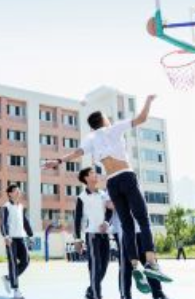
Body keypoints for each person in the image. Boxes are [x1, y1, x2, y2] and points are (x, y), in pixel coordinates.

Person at [43, 95, 173, 286]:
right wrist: (149, 101)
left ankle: (135, 265)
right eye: (106, 117)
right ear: (103, 120)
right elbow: (142, 118)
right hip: (126, 176)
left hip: (111, 182)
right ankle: (151, 263)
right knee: (143, 219)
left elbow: (77, 153)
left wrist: (58, 161)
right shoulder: (113, 128)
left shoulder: (91, 138)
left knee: (127, 225)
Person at [112, 212, 177, 299]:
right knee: (126, 266)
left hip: (141, 230)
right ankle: (126, 298)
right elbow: (109, 205)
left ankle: (158, 296)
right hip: (124, 232)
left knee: (150, 264)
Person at [74, 167, 113, 299]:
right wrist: (77, 239)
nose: (95, 175)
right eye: (91, 173)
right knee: (95, 267)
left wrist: (107, 223)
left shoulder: (103, 194)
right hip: (91, 235)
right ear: (85, 178)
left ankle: (91, 291)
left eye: (95, 173)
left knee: (104, 266)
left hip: (104, 234)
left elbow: (109, 211)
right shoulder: (82, 197)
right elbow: (77, 219)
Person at [0, 184, 33, 299]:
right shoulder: (6, 207)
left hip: (21, 238)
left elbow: (25, 221)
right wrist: (6, 236)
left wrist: (30, 235)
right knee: (13, 263)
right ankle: (16, 290)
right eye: (15, 191)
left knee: (26, 261)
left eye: (19, 190)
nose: (18, 192)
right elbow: (3, 223)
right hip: (11, 239)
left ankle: (8, 278)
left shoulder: (21, 206)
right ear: (10, 193)